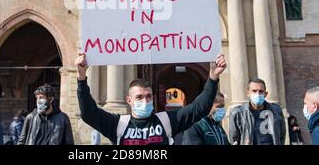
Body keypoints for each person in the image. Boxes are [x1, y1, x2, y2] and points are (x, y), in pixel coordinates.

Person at [76, 53, 227, 145]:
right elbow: (89, 113)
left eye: (148, 96)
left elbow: (199, 108)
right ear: (129, 100)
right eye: (139, 97)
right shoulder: (117, 125)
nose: (145, 101)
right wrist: (81, 78)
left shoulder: (167, 121)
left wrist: (213, 77)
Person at [229, 78, 285, 145]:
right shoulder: (237, 113)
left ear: (265, 94)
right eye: (254, 91)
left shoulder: (276, 110)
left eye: (261, 91)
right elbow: (234, 140)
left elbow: (281, 136)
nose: (258, 94)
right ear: (248, 93)